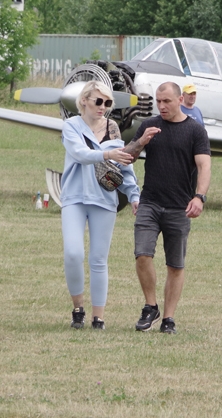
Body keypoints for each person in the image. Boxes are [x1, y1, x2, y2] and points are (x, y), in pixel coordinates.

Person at [123, 82, 210, 334]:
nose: (161, 106)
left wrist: (199, 197)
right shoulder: (149, 126)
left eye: (167, 101)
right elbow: (127, 156)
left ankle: (168, 319)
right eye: (158, 101)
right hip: (149, 202)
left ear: (180, 99)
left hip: (179, 208)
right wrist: (141, 141)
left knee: (175, 265)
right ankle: (151, 306)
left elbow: (204, 166)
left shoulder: (195, 131)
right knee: (142, 254)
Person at [60, 81, 142, 330]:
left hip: (104, 199)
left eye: (107, 103)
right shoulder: (71, 126)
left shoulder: (113, 128)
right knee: (73, 253)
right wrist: (107, 154)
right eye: (98, 101)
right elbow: (79, 154)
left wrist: (134, 194)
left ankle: (99, 317)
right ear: (84, 100)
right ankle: (78, 309)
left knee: (98, 259)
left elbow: (124, 165)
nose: (103, 107)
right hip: (74, 197)